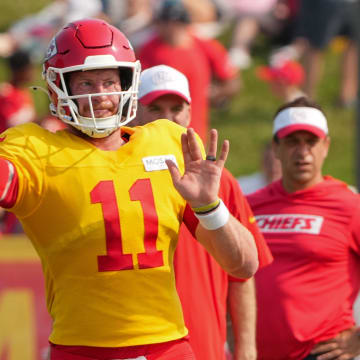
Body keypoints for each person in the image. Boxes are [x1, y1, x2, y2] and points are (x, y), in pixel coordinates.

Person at [0, 18, 259, 360]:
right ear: (57, 87)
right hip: (82, 349)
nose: (102, 95)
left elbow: (243, 264)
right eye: (86, 82)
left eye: (109, 81)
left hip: (168, 346)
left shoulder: (168, 142)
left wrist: (209, 206)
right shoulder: (34, 148)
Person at [134, 64, 273, 360]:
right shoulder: (116, 176)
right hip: (138, 342)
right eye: (155, 108)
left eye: (176, 108)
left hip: (203, 342)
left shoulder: (221, 179)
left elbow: (243, 274)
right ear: (134, 112)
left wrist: (246, 349)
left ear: (190, 112)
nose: (168, 119)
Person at [247, 96, 360, 360]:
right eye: (292, 142)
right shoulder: (249, 206)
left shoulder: (349, 206)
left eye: (311, 142)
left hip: (324, 353)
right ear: (275, 148)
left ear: (326, 146)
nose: (303, 152)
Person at [137, 0, 240, 142]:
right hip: (158, 132)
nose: (171, 28)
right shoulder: (150, 49)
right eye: (165, 22)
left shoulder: (204, 45)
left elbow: (232, 82)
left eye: (176, 23)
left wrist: (217, 93)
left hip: (195, 131)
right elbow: (138, 89)